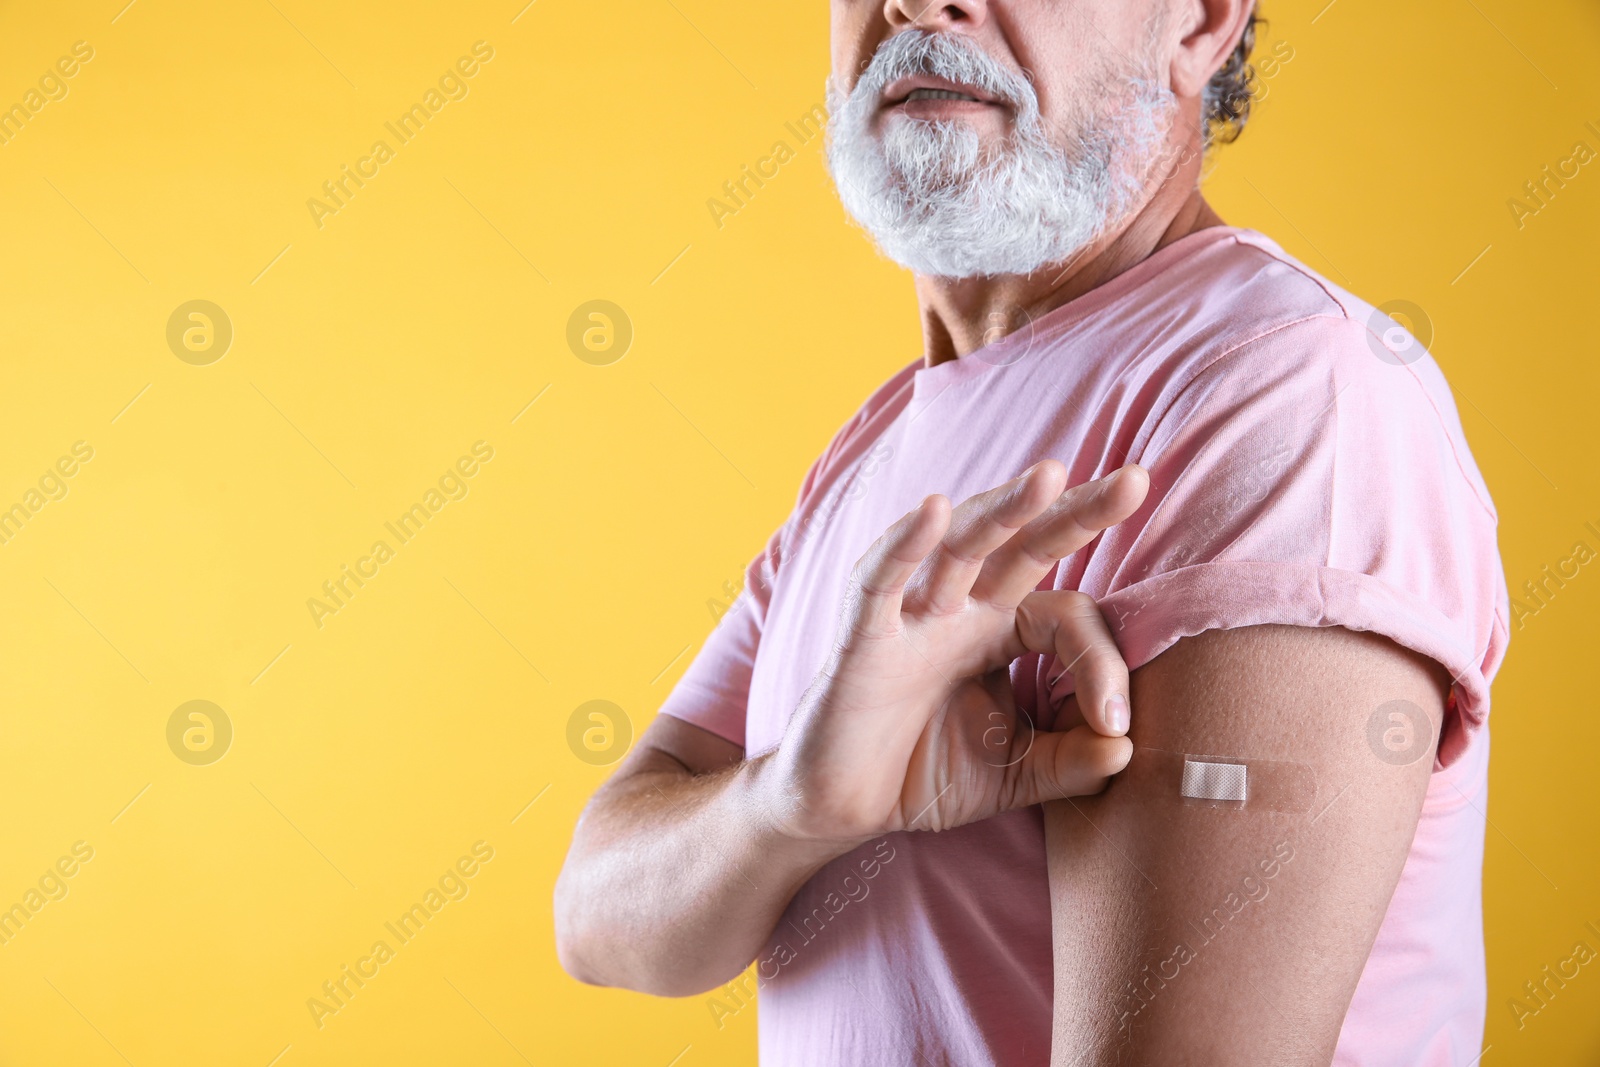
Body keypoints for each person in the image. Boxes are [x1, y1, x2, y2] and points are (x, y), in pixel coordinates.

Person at [554, 1, 1509, 1063]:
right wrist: (797, 803)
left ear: (1196, 25)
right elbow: (598, 914)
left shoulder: (1285, 399)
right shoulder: (871, 452)